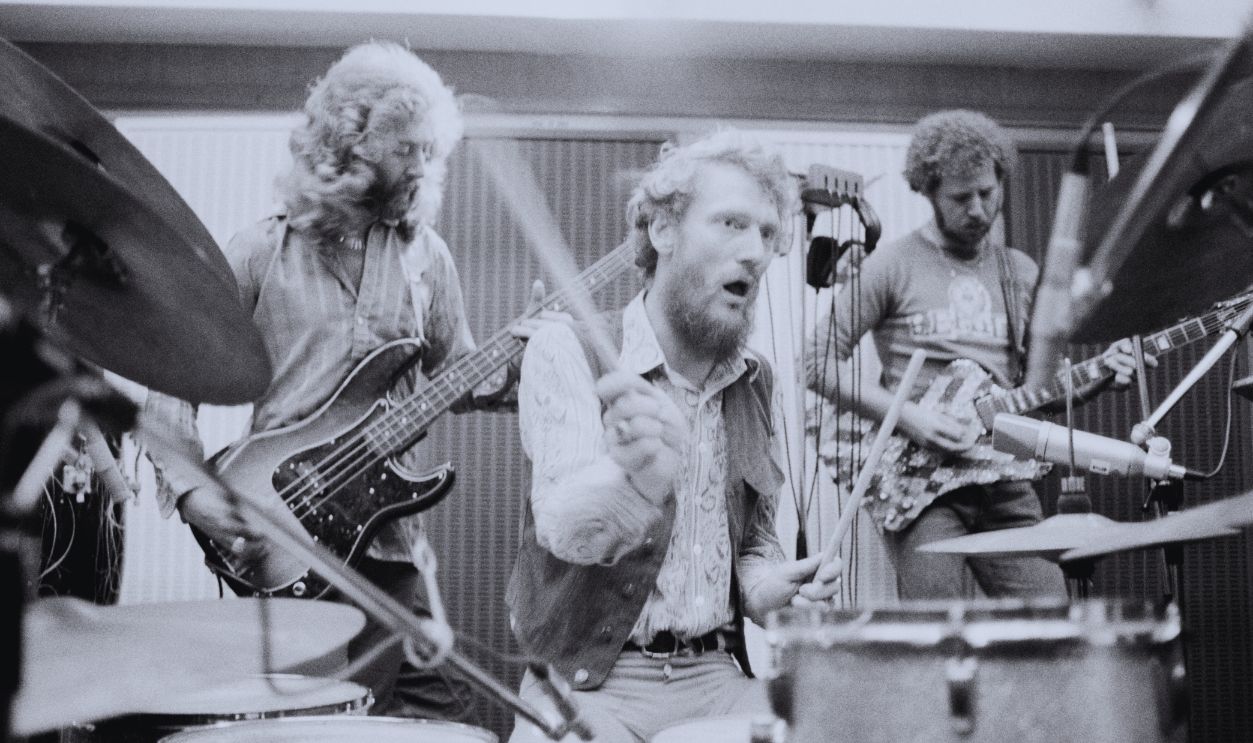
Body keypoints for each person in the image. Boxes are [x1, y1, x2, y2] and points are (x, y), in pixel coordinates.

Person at [146, 40, 552, 719]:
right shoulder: (257, 251)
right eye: (405, 149)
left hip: (388, 539)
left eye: (431, 150)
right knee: (312, 722)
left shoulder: (428, 257)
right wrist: (191, 490)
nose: (422, 166)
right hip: (280, 531)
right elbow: (168, 383)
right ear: (346, 147)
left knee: (456, 716)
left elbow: (462, 375)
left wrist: (525, 358)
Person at [506, 130, 843, 743]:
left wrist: (771, 592)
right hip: (587, 685)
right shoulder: (568, 348)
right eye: (732, 224)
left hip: (718, 677)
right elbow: (562, 532)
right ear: (662, 231)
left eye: (767, 234)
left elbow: (755, 544)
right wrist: (629, 480)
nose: (756, 253)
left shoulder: (756, 380)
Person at [806, 109, 1151, 600]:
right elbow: (816, 363)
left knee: (1049, 616)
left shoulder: (1021, 273)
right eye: (960, 197)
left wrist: (1097, 378)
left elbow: (1037, 395)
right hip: (922, 481)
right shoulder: (892, 265)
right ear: (929, 192)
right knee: (937, 628)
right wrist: (908, 417)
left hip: (1002, 475)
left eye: (987, 193)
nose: (977, 209)